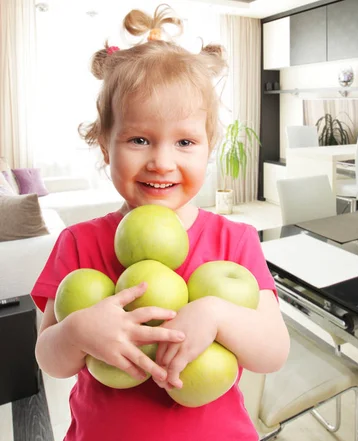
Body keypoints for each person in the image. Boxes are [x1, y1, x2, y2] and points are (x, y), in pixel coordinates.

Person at [31, 5, 290, 441]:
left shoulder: (236, 240)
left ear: (209, 148)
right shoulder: (78, 244)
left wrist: (216, 313)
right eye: (138, 139)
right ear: (105, 147)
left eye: (185, 141)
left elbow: (273, 351)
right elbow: (50, 360)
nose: (161, 162)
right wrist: (77, 331)